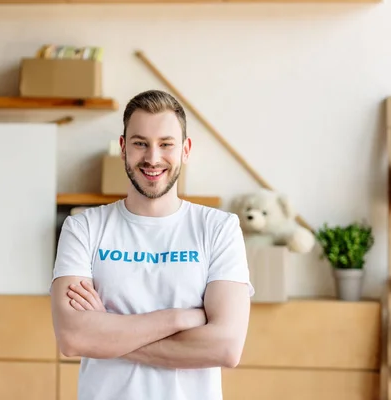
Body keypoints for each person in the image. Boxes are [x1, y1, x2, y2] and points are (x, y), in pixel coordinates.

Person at [50, 89, 254, 400]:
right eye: (140, 143)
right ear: (123, 148)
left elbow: (226, 347)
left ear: (185, 149)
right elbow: (73, 338)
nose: (153, 158)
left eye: (166, 144)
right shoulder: (83, 227)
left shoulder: (218, 228)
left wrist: (107, 333)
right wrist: (179, 318)